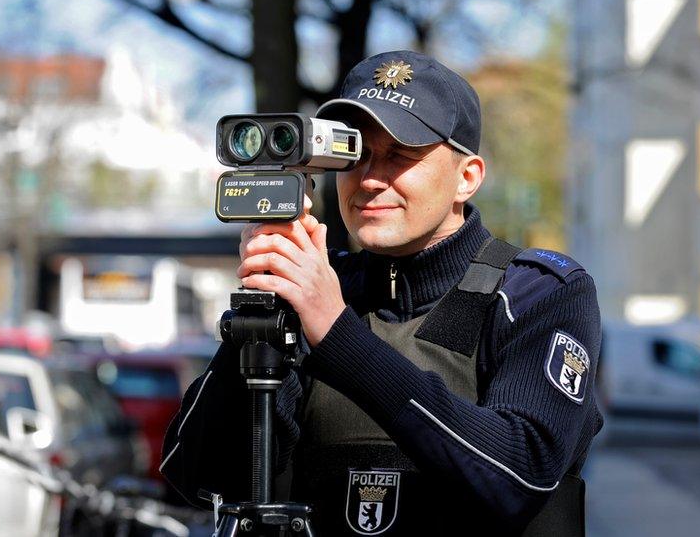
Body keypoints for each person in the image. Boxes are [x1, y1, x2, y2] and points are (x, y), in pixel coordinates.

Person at [160, 50, 603, 536]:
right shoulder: (320, 289)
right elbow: (198, 477)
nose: (371, 179)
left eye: (401, 155)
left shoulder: (538, 292)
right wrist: (264, 306)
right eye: (357, 155)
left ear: (467, 177)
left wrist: (336, 334)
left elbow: (521, 474)